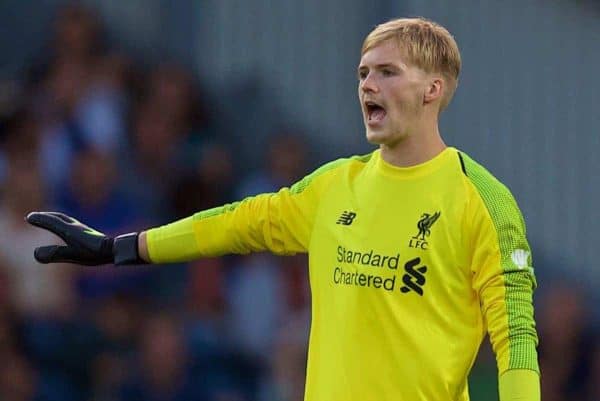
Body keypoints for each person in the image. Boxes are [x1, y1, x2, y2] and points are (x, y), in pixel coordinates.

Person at [26, 17, 540, 401]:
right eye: (363, 73)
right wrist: (123, 248)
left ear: (434, 88)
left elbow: (515, 337)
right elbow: (239, 222)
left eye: (387, 72)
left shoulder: (482, 200)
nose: (367, 85)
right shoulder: (335, 184)